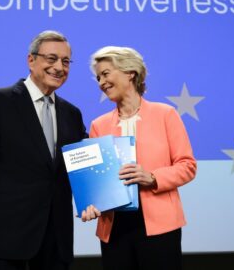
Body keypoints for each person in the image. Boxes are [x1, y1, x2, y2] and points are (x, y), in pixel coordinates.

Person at [0, 30, 87, 270]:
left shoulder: (72, 114)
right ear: (31, 60)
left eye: (66, 61)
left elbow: (83, 168)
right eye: (51, 58)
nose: (59, 67)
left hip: (56, 244)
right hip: (5, 241)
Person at [81, 46, 197, 270]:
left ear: (130, 72)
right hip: (114, 228)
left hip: (160, 227)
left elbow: (187, 165)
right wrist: (91, 202)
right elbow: (95, 182)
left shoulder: (166, 114)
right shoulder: (98, 125)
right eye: (98, 77)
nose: (101, 82)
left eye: (106, 73)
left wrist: (152, 177)